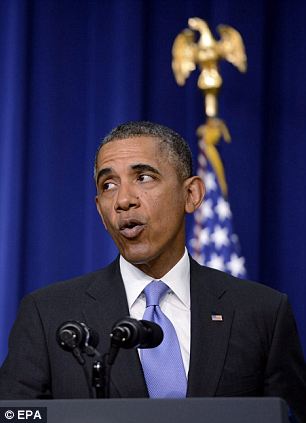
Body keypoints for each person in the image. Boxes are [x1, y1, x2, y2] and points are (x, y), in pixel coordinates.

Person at [0, 121, 305, 421]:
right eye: (108, 185)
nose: (123, 200)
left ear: (191, 195)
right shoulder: (48, 314)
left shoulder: (262, 312)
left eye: (143, 178)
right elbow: (15, 416)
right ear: (100, 211)